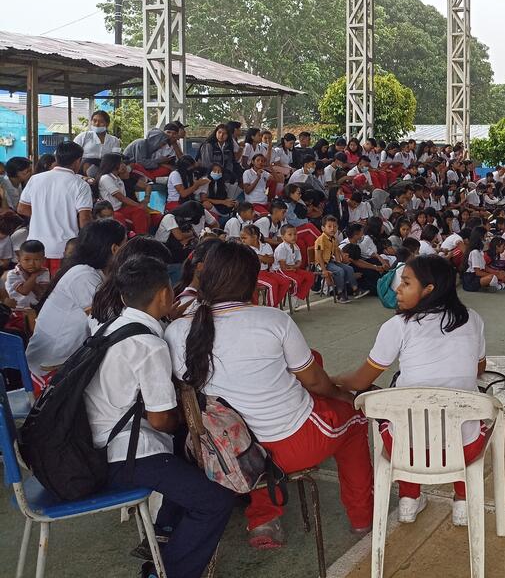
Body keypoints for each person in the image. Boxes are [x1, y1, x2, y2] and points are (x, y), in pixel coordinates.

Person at [167, 242, 374, 545]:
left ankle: (265, 520)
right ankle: (362, 518)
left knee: (249, 427)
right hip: (290, 444)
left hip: (223, 450)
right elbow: (316, 383)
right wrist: (343, 396)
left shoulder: (176, 330)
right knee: (355, 421)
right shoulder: (272, 320)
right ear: (252, 281)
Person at [86, 255, 234, 578]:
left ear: (124, 296)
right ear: (166, 295)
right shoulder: (149, 344)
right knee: (216, 501)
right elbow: (160, 421)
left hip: (97, 446)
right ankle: (167, 572)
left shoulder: (111, 327)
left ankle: (166, 527)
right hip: (127, 458)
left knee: (185, 449)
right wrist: (185, 420)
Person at [332, 255, 487, 527]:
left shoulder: (398, 326)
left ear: (428, 289)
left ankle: (409, 497)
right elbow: (479, 368)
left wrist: (333, 380)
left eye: (405, 283)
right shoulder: (472, 319)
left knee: (397, 409)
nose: (396, 289)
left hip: (404, 449)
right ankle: (462, 500)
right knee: (471, 416)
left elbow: (359, 382)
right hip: (464, 447)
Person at [26, 218, 126, 393]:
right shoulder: (83, 276)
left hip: (62, 358)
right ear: (115, 249)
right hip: (50, 369)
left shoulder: (90, 272)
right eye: (126, 245)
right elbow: (107, 322)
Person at [17, 140, 94, 275]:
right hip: (64, 249)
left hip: (36, 248)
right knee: (58, 288)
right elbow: (85, 219)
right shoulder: (80, 185)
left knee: (36, 289)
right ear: (78, 161)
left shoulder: (36, 179)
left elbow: (22, 208)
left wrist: (43, 215)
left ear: (56, 158)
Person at [98, 153, 158, 235]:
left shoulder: (117, 178)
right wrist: (139, 205)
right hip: (112, 210)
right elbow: (121, 197)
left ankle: (143, 236)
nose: (123, 165)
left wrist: (143, 203)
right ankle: (140, 237)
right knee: (139, 210)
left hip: (121, 208)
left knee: (143, 212)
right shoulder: (106, 178)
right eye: (120, 163)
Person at [314, 216, 366, 302]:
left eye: (335, 226)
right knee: (339, 271)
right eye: (329, 226)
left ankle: (355, 290)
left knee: (349, 268)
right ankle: (340, 293)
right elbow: (319, 256)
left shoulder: (333, 239)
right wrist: (324, 270)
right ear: (323, 228)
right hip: (322, 264)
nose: (332, 229)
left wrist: (339, 262)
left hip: (330, 262)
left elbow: (336, 250)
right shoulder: (321, 240)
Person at [273, 224, 315, 306]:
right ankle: (292, 296)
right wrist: (293, 268)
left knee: (310, 276)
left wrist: (294, 267)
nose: (293, 237)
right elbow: (283, 266)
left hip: (292, 268)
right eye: (290, 234)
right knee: (297, 279)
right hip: (280, 270)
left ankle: (297, 296)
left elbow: (299, 262)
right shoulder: (281, 248)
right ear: (283, 237)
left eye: (295, 234)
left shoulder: (295, 246)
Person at [5, 239, 49, 310]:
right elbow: (24, 291)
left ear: (44, 260)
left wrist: (32, 277)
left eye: (36, 260)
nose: (31, 263)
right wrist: (34, 275)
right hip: (16, 309)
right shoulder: (13, 274)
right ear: (19, 259)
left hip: (35, 309)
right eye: (27, 260)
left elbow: (41, 294)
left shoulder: (44, 272)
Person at [461, 227, 505, 292]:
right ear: (480, 238)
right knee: (492, 277)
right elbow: (477, 272)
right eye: (485, 238)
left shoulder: (480, 251)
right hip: (471, 279)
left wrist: (497, 272)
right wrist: (496, 275)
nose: (486, 240)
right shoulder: (475, 252)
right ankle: (494, 285)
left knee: (500, 273)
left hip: (476, 276)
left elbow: (485, 267)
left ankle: (493, 284)